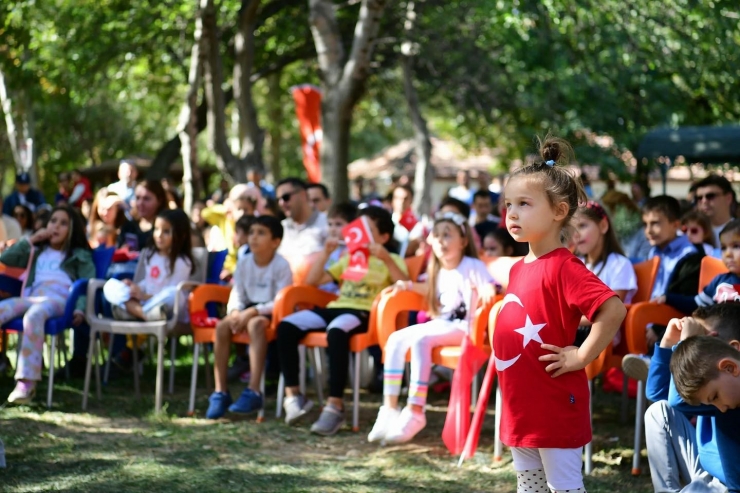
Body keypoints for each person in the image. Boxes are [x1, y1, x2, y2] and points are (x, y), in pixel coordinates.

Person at [493, 136, 626, 493]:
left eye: (524, 203)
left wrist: (582, 355)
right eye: (509, 205)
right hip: (522, 401)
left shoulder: (565, 267)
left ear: (559, 211)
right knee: (529, 485)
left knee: (563, 487)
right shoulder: (520, 267)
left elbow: (613, 309)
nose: (513, 213)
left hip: (554, 402)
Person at [277, 206, 409, 436]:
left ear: (384, 237)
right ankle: (294, 396)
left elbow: (405, 285)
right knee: (287, 326)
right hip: (336, 307)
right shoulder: (350, 258)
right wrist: (326, 254)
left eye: (368, 229)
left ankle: (335, 405)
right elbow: (312, 281)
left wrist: (386, 259)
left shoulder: (394, 258)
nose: (360, 234)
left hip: (365, 313)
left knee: (336, 331)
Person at [367, 211, 497, 444]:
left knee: (421, 340)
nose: (440, 241)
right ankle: (389, 408)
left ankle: (416, 410)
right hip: (443, 324)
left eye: (447, 235)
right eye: (436, 236)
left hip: (466, 327)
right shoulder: (437, 269)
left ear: (463, 241)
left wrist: (489, 289)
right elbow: (427, 290)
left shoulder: (472, 265)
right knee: (396, 338)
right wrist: (405, 285)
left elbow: (490, 287)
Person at [0, 206, 94, 404]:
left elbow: (86, 284)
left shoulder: (79, 255)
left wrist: (80, 307)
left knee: (34, 316)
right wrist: (31, 240)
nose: (56, 227)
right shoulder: (37, 250)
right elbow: (5, 259)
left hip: (59, 301)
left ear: (72, 230)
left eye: (63, 223)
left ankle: (26, 384)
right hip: (32, 297)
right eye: (53, 221)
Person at [643, 303, 740, 493]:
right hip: (708, 472)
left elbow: (676, 400)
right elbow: (656, 393)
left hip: (726, 483)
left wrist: (685, 345)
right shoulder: (723, 391)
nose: (694, 349)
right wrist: (668, 344)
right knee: (658, 412)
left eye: (699, 342)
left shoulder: (729, 396)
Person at [205, 215, 293, 419]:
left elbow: (280, 300)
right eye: (251, 232)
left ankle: (254, 390)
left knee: (255, 325)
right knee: (222, 327)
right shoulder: (244, 263)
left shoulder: (282, 266)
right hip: (245, 310)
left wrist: (253, 311)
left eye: (261, 233)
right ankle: (221, 391)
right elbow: (237, 293)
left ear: (275, 242)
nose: (253, 237)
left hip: (269, 314)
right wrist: (235, 311)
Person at [104, 208, 195, 322]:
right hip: (148, 304)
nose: (159, 235)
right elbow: (149, 282)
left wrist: (143, 296)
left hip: (167, 306)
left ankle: (135, 312)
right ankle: (145, 314)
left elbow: (172, 291)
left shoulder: (182, 262)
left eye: (166, 231)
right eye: (156, 229)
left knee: (174, 293)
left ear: (181, 235)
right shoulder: (151, 254)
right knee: (109, 285)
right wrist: (133, 287)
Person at [571, 201, 637, 347]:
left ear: (603, 226)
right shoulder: (575, 263)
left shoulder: (620, 264)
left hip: (600, 334)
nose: (575, 234)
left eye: (582, 226)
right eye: (572, 228)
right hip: (576, 329)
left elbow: (609, 310)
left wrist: (567, 322)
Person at [659, 219, 740, 315]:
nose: (727, 254)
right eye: (723, 248)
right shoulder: (719, 281)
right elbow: (697, 304)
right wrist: (668, 298)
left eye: (736, 246)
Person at [274, 177, 328, 265]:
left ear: (302, 194)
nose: (281, 203)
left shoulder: (328, 224)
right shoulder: (279, 228)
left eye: (285, 197)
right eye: (278, 200)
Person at [117, 180, 169, 253]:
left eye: (146, 199)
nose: (140, 203)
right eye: (138, 198)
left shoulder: (166, 229)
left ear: (159, 201)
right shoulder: (128, 227)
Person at [319, 202, 357, 294]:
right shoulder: (329, 247)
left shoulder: (354, 251)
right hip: (321, 292)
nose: (332, 229)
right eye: (330, 224)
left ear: (353, 226)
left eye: (338, 224)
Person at [693, 175, 736, 247]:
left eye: (710, 196)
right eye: (699, 198)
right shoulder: (690, 232)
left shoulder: (737, 229)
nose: (704, 201)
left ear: (728, 198)